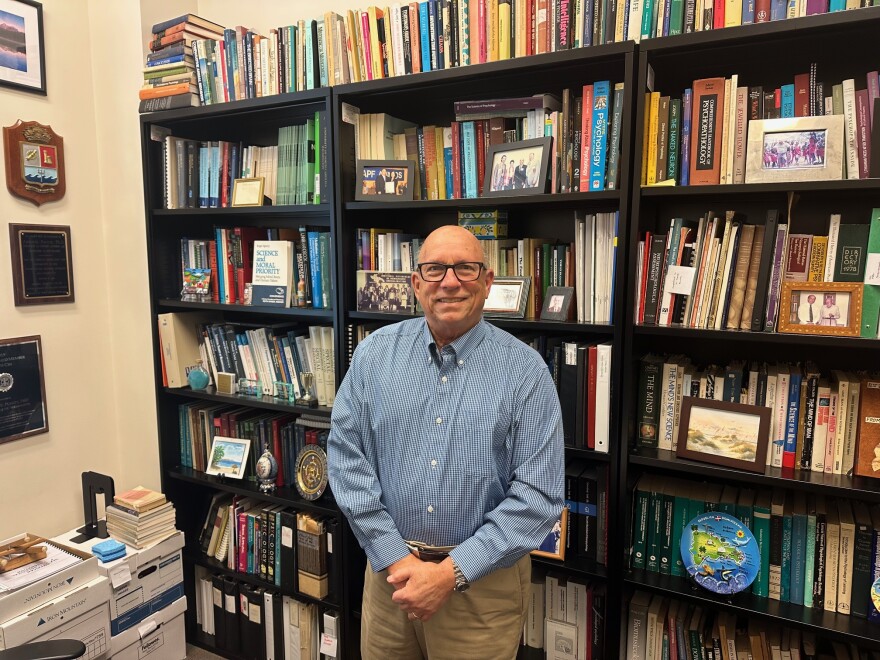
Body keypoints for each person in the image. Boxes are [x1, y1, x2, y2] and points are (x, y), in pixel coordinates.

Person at [328, 225, 564, 659]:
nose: (450, 281)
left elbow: (539, 496)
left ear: (488, 282)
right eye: (435, 269)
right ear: (417, 283)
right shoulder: (373, 356)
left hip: (481, 590)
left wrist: (449, 574)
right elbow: (346, 458)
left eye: (466, 268)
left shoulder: (527, 372)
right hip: (389, 581)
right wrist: (396, 559)